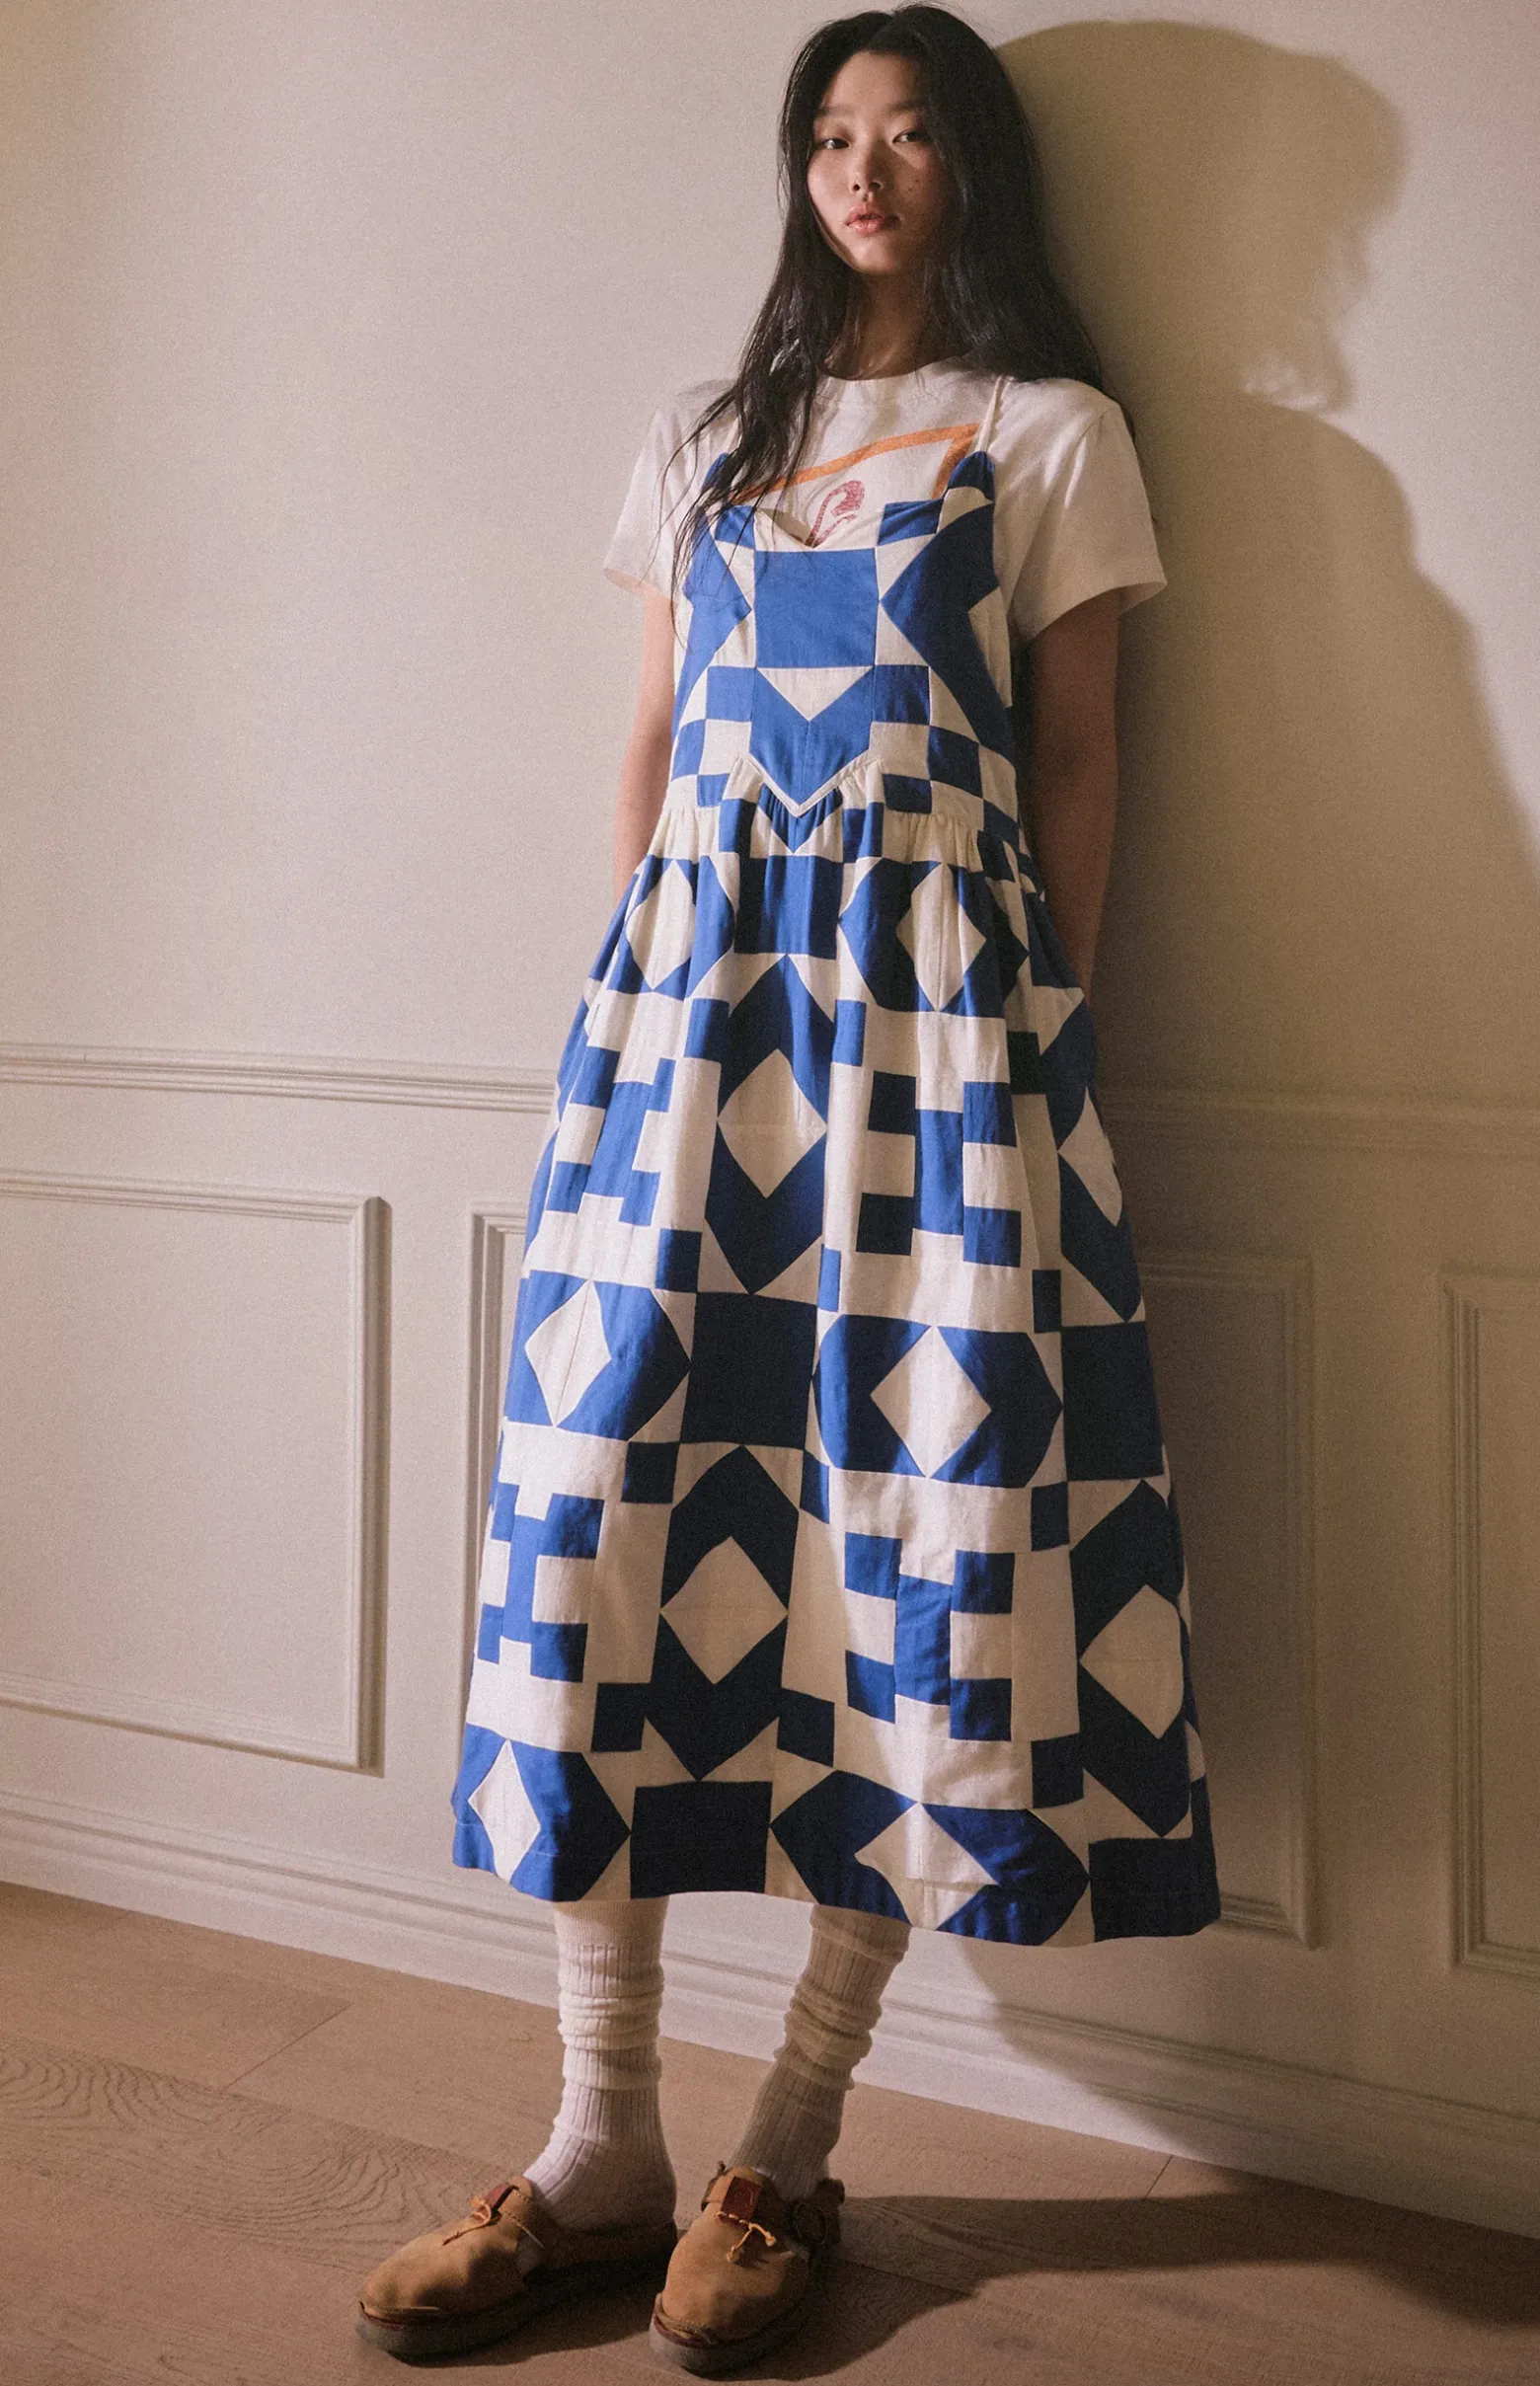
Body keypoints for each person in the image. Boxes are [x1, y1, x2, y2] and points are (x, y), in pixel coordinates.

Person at [356, 5, 1219, 2370]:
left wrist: (1039, 1030)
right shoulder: (707, 437)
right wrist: (640, 1009)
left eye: (909, 130)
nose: (864, 167)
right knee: (606, 1522)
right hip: (689, 1037)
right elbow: (652, 737)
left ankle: (791, 2137)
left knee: (915, 1552)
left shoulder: (1053, 433)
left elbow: (1079, 756)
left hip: (947, 1054)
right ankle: (594, 2141)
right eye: (830, 132)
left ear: (974, 168)